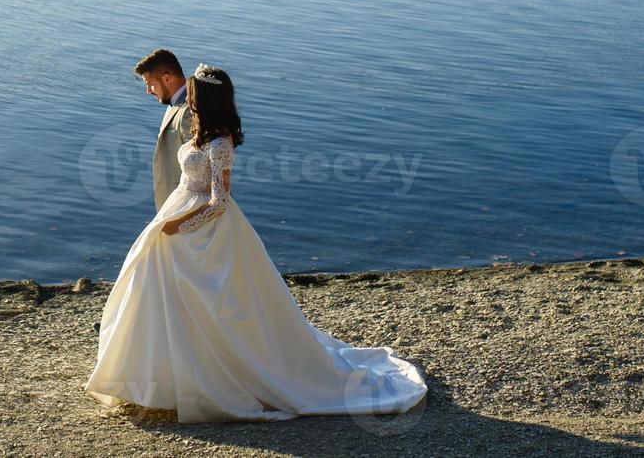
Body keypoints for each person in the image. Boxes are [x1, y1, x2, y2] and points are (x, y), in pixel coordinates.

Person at [84, 63, 428, 423]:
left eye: (195, 94)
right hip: (179, 209)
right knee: (155, 288)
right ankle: (156, 374)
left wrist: (179, 228)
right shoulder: (200, 131)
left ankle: (207, 376)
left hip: (203, 229)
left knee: (209, 300)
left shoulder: (220, 143)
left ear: (207, 99)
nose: (189, 99)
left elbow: (219, 201)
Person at [133, 48, 195, 211]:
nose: (148, 91)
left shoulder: (189, 110)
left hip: (184, 209)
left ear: (166, 78)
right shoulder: (175, 104)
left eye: (150, 85)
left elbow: (199, 169)